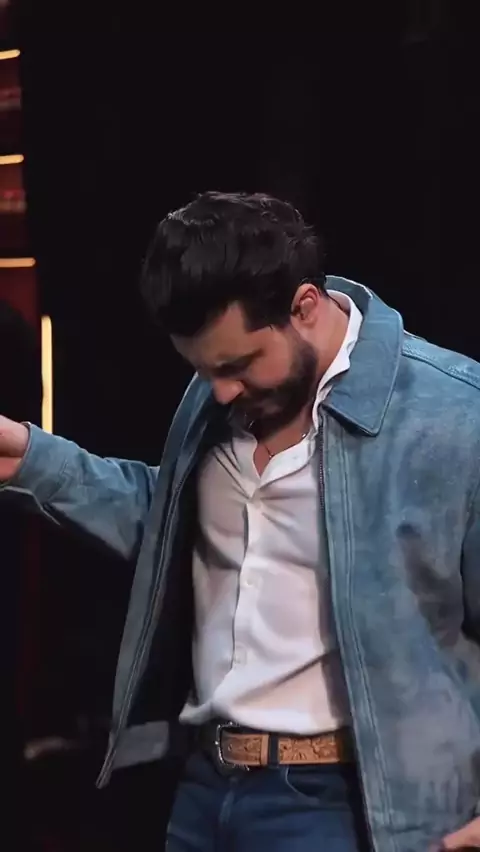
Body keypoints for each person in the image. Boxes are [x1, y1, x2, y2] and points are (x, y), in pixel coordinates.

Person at [1, 191, 480, 852]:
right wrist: (30, 459)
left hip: (346, 806)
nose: (221, 390)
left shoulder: (452, 416)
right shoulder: (226, 388)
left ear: (305, 306)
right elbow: (170, 526)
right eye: (203, 370)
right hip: (204, 787)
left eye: (237, 366)